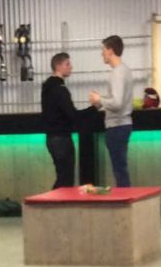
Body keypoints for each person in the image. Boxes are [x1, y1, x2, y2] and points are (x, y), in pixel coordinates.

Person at [89, 35, 133, 187]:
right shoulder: (125, 70)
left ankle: (125, 198)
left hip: (117, 126)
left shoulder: (117, 73)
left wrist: (100, 100)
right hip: (123, 125)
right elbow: (117, 101)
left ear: (110, 50)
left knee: (119, 170)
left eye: (103, 49)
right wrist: (101, 101)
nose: (102, 53)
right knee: (120, 169)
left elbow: (117, 103)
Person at [41, 51, 80, 188]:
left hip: (52, 138)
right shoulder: (60, 89)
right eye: (67, 64)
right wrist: (94, 108)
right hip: (62, 138)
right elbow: (71, 114)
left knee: (62, 176)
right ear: (58, 66)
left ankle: (54, 200)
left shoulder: (47, 88)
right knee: (66, 178)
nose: (71, 67)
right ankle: (52, 200)